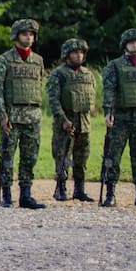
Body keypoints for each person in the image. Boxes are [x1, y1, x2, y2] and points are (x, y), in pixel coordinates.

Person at [0, 19, 46, 209]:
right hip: (12, 116)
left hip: (32, 115)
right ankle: (6, 194)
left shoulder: (38, 61)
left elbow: (39, 86)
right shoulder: (3, 60)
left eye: (31, 34)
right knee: (7, 156)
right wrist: (2, 115)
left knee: (29, 157)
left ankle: (26, 194)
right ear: (16, 36)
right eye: (25, 34)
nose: (28, 37)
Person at [100, 28, 136, 208]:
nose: (135, 45)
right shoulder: (115, 66)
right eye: (132, 42)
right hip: (120, 118)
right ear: (125, 45)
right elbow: (109, 89)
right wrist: (108, 111)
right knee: (113, 157)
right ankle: (110, 194)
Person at [46, 38, 96, 202]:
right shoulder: (58, 74)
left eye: (81, 52)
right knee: (63, 157)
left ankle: (79, 189)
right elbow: (53, 100)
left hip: (84, 123)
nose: (79, 55)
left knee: (82, 157)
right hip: (65, 123)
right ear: (67, 55)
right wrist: (63, 120)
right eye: (75, 52)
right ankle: (61, 188)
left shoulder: (88, 74)